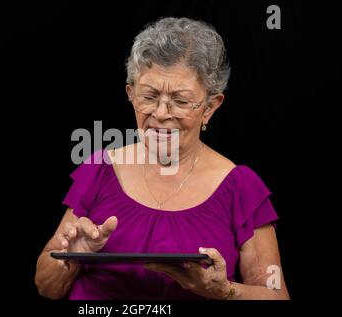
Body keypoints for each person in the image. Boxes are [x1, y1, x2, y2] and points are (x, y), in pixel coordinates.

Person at [35, 17, 289, 300]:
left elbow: (276, 295)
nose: (161, 113)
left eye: (180, 101)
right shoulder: (99, 169)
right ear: (131, 94)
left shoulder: (241, 187)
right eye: (149, 96)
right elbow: (46, 287)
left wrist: (224, 291)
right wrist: (71, 258)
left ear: (210, 107)